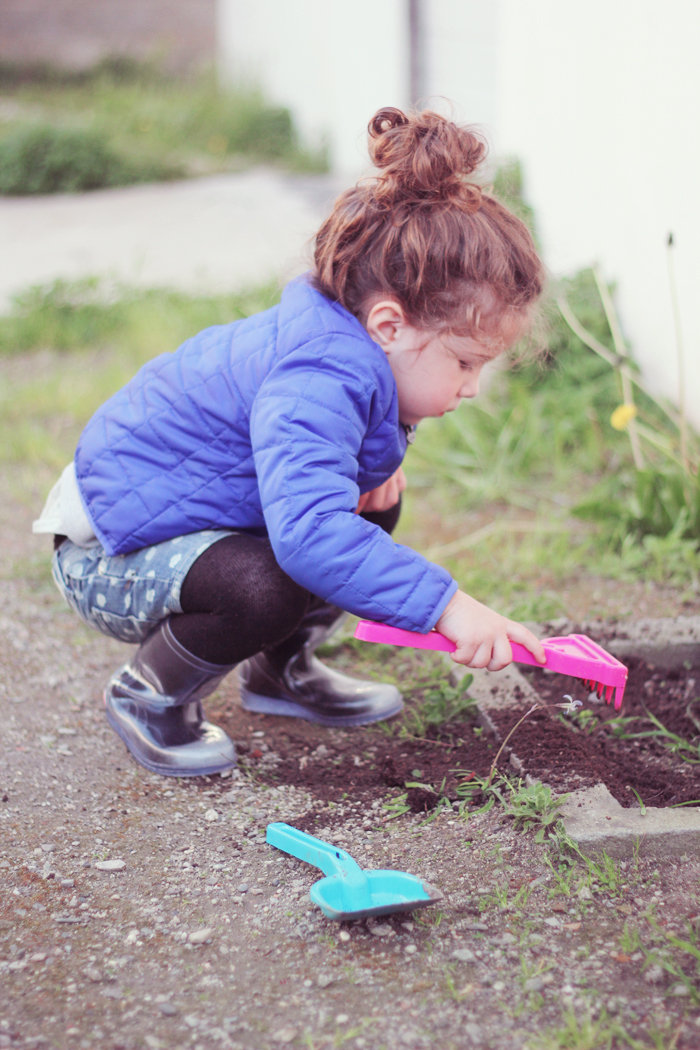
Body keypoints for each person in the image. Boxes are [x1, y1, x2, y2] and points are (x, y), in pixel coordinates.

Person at [33, 106, 546, 779]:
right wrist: (447, 606)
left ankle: (280, 673)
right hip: (104, 558)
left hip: (183, 525)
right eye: (464, 363)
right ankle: (147, 695)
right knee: (270, 580)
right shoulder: (320, 377)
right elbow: (308, 536)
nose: (473, 387)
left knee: (367, 506)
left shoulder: (354, 354)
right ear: (389, 325)